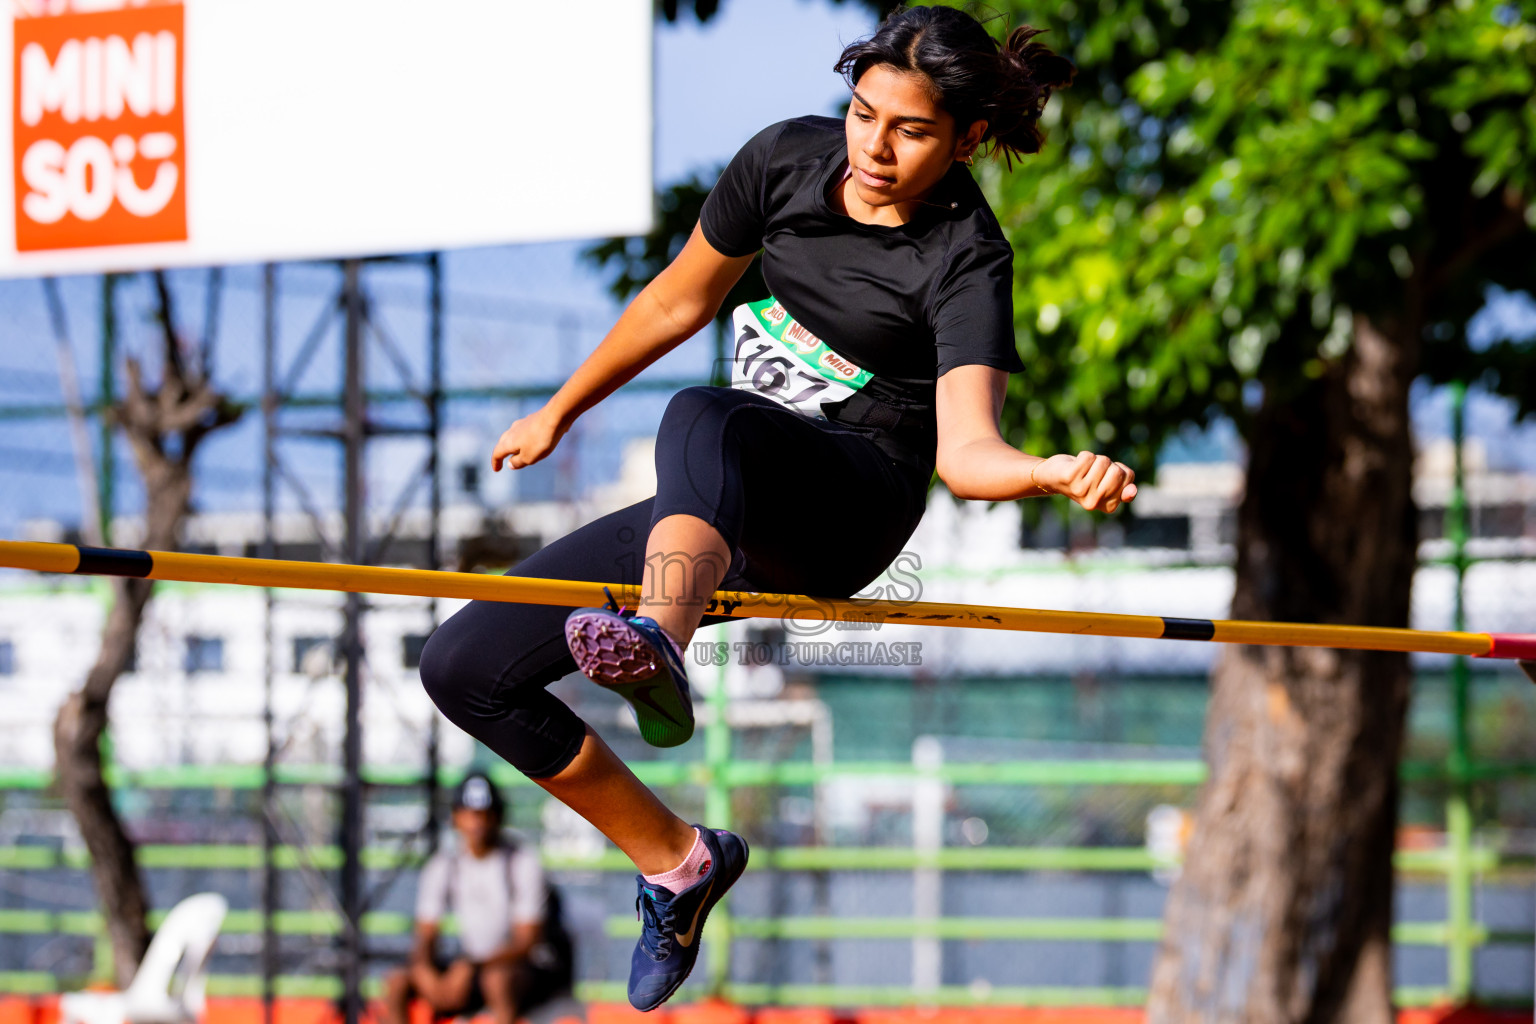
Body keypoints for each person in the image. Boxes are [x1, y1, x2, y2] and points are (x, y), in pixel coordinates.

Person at [419, 6, 1135, 1012]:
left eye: (911, 131)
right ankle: (678, 864)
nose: (874, 148)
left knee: (708, 414)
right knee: (463, 669)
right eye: (863, 113)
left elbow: (968, 452)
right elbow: (677, 300)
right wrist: (559, 408)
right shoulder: (784, 164)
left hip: (845, 506)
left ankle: (655, 646)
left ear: (967, 139)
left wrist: (1048, 470)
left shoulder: (968, 257)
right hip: (717, 507)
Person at [381, 773, 564, 1024]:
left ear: (499, 817)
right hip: (472, 966)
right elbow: (425, 934)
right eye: (469, 813)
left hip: (522, 969)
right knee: (398, 981)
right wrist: (424, 970)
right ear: (455, 817)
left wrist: (472, 965)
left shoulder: (522, 861)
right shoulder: (444, 864)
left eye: (485, 813)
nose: (477, 822)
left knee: (497, 980)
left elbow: (526, 942)